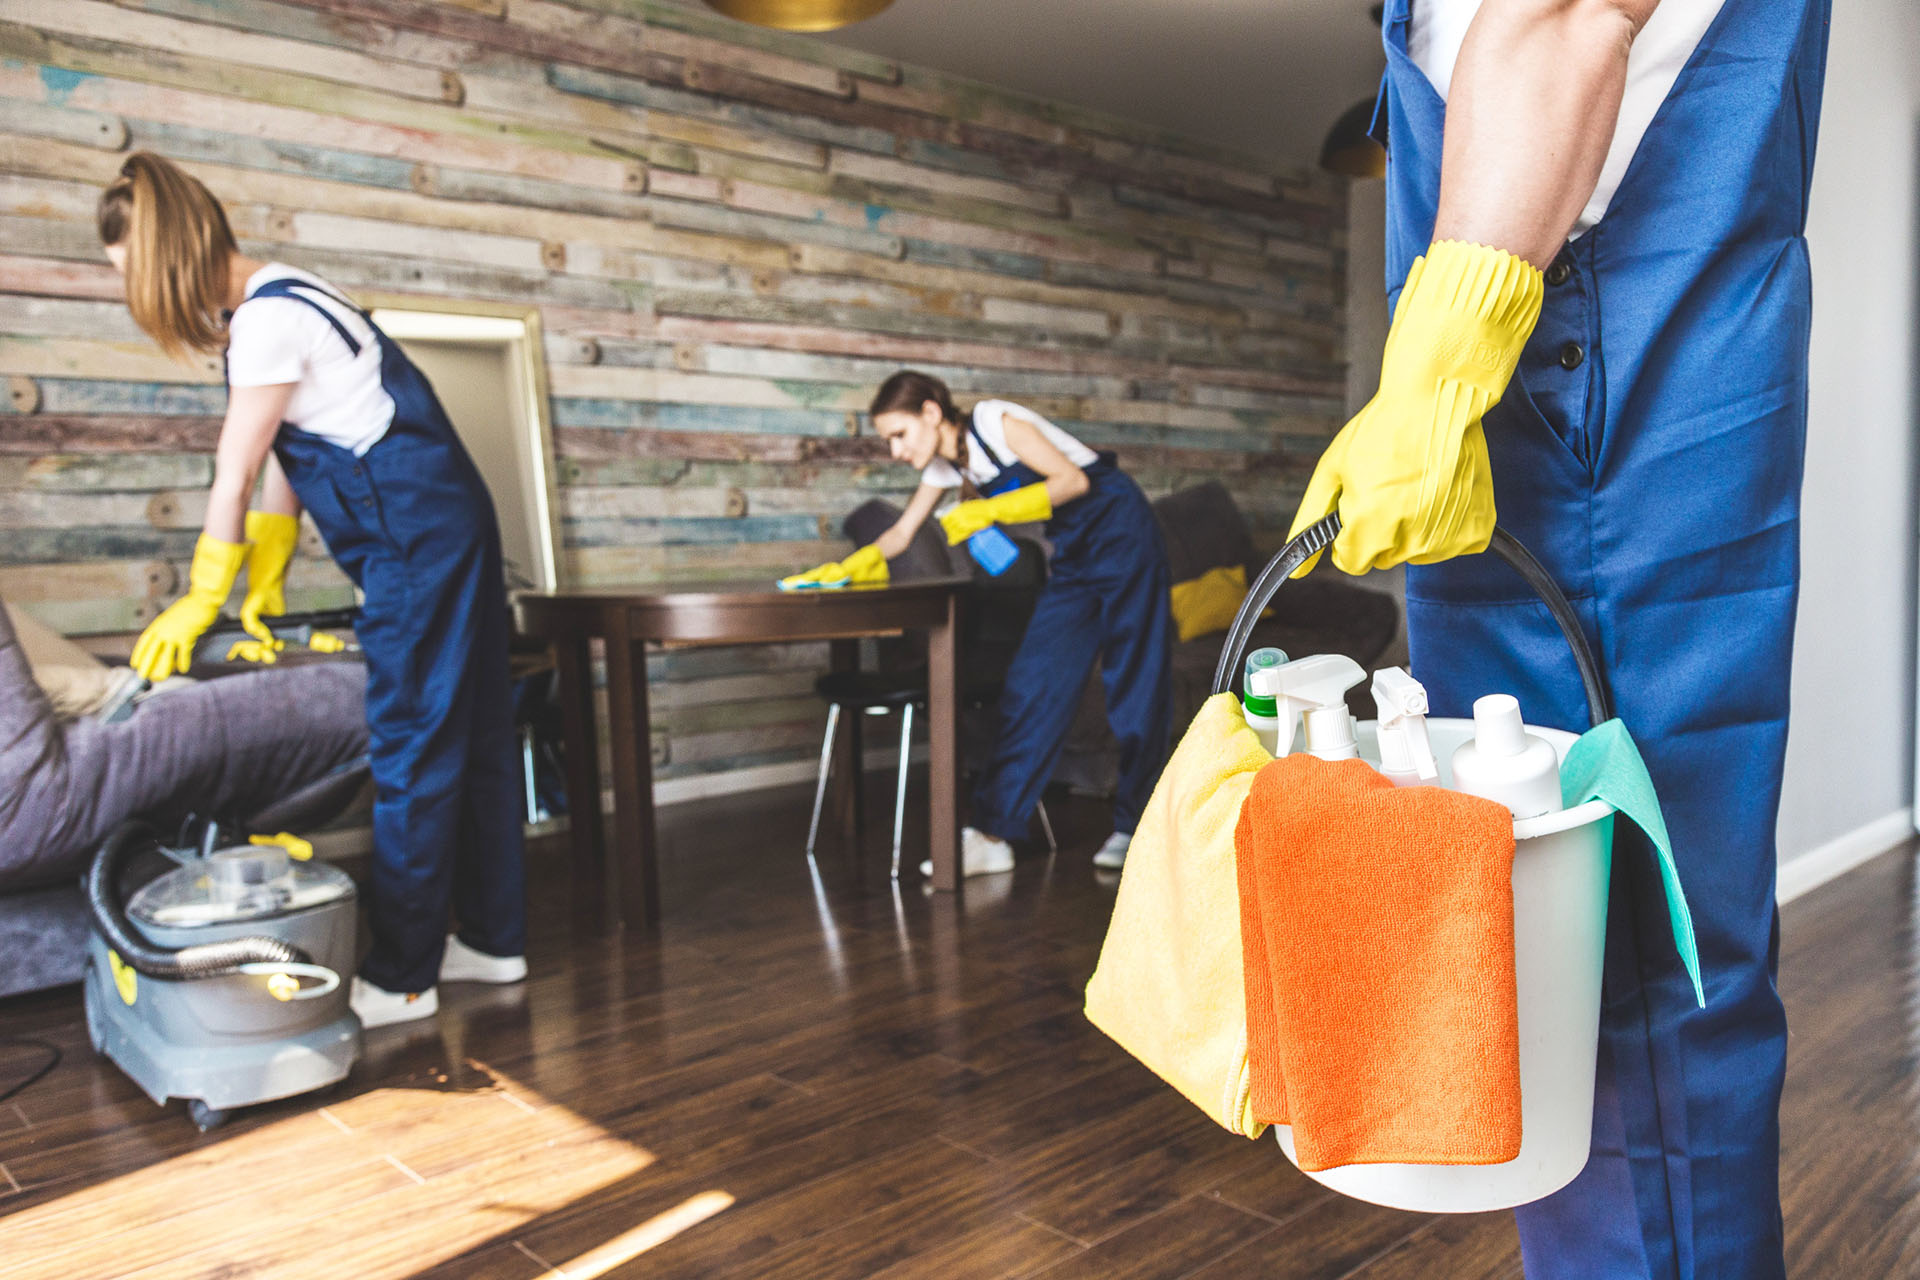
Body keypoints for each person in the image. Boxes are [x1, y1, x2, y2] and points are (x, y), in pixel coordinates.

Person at [1288, 0, 1828, 1275]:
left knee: (1628, 977)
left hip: (1593, 369)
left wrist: (1443, 353)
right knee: (1546, 961)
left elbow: (1568, 18)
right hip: (1549, 376)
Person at [98, 153, 529, 1028]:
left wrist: (201, 600)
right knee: (478, 733)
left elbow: (238, 467)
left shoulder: (262, 326)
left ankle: (404, 975)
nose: (133, 296)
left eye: (128, 277)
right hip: (451, 525)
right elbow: (293, 466)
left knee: (409, 744)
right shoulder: (292, 290)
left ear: (163, 260)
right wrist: (265, 578)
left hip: (414, 545)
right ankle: (491, 939)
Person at [785, 372, 1174, 876]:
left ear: (930, 412)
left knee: (1134, 687)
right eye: (888, 441)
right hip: (1077, 560)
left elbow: (1073, 482)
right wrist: (845, 569)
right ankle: (994, 834)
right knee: (1033, 684)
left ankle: (1137, 827)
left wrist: (988, 509)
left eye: (899, 435)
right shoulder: (947, 470)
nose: (895, 451)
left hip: (1125, 536)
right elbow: (901, 534)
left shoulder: (996, 421)